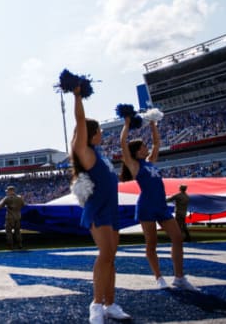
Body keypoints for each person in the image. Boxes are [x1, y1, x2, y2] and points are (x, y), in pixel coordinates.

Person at [69, 88, 130, 323]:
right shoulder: (85, 153)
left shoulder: (100, 154)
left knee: (111, 257)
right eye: (100, 130)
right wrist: (77, 97)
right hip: (98, 209)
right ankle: (96, 305)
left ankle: (110, 303)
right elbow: (80, 121)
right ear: (91, 134)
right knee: (105, 254)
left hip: (111, 209)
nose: (102, 133)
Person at [120, 118, 197, 291]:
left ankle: (179, 277)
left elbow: (156, 143)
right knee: (151, 243)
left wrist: (153, 123)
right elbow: (123, 145)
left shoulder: (150, 161)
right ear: (137, 151)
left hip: (161, 206)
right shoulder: (134, 165)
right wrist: (126, 124)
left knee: (177, 237)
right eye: (143, 146)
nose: (146, 148)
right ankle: (159, 277)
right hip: (146, 206)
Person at [0, 185, 25, 249]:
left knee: (9, 232)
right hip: (18, 217)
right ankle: (20, 245)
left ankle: (10, 245)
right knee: (17, 232)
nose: (7, 192)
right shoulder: (19, 198)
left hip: (10, 217)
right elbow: (23, 205)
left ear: (10, 191)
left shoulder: (7, 198)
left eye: (7, 191)